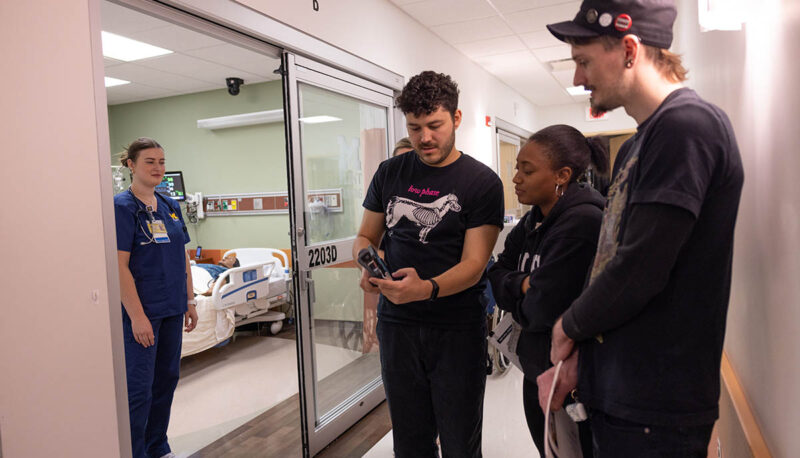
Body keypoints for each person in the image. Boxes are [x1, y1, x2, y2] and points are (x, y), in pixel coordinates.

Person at [538, 1, 745, 456]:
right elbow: (614, 258)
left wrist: (567, 327)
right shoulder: (638, 143)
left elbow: (640, 266)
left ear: (629, 50)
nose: (578, 78)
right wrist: (582, 362)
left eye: (584, 61)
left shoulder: (687, 128)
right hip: (623, 397)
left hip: (656, 410)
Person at [354, 70, 504, 457]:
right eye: (415, 126)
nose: (424, 137)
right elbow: (366, 238)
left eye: (434, 125)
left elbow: (474, 263)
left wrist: (427, 288)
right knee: (410, 439)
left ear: (456, 118)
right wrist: (371, 268)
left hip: (455, 327)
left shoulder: (482, 182)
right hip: (398, 325)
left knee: (459, 440)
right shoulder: (390, 172)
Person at [487, 125, 607, 456]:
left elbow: (543, 309)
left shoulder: (581, 223)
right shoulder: (531, 222)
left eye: (527, 170)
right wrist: (525, 284)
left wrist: (520, 292)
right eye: (516, 168)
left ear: (562, 175)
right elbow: (496, 273)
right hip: (536, 370)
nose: (516, 179)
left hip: (571, 382)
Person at [115, 137, 198, 458]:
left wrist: (190, 301)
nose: (158, 168)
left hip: (173, 307)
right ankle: (135, 452)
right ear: (131, 165)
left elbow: (183, 255)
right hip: (143, 312)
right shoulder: (122, 207)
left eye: (161, 162)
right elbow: (119, 265)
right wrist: (137, 316)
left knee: (166, 381)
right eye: (149, 161)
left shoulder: (170, 205)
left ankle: (157, 447)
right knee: (139, 390)